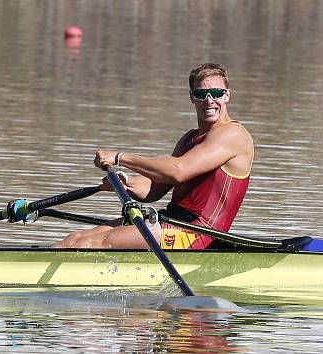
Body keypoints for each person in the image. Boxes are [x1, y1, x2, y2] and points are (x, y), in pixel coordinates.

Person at [54, 63, 253, 249]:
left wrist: (120, 158)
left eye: (216, 93)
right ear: (192, 97)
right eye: (201, 94)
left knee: (99, 242)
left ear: (227, 95)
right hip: (171, 221)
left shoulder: (233, 134)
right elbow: (155, 189)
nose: (209, 101)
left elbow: (178, 171)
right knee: (75, 239)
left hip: (199, 232)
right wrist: (126, 184)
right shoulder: (189, 139)